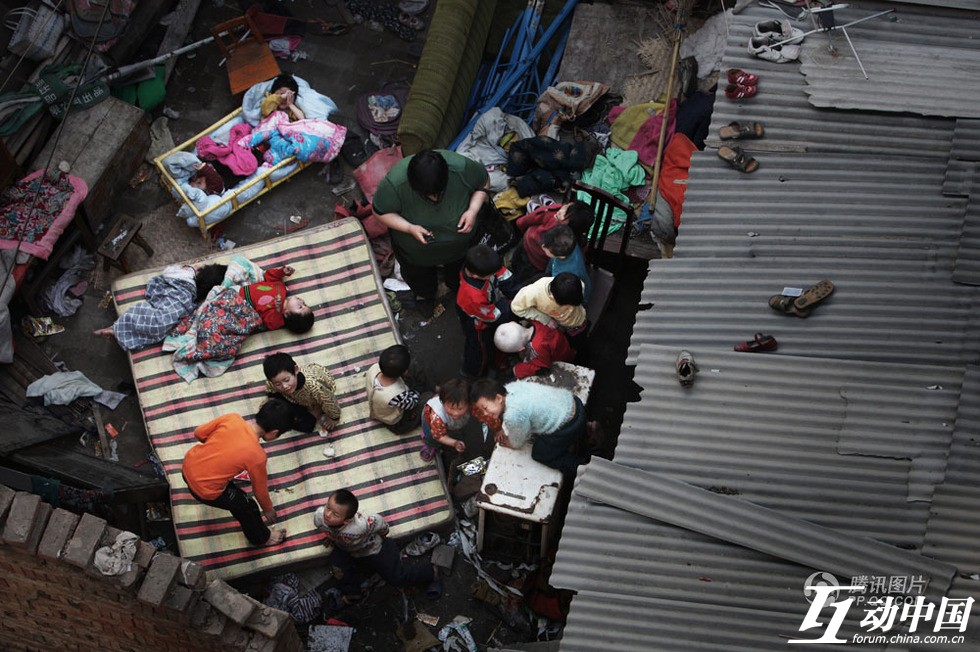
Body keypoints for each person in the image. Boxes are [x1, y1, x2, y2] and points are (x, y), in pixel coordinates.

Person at [372, 149, 491, 306]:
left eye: (438, 193)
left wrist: (473, 210)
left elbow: (483, 182)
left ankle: (454, 287)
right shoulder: (396, 183)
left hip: (459, 249)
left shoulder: (460, 167)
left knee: (458, 278)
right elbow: (379, 211)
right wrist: (409, 228)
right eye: (426, 194)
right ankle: (426, 296)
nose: (433, 199)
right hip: (417, 255)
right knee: (421, 283)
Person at [181, 398, 293, 546]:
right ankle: (261, 538)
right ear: (274, 433)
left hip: (187, 466)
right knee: (248, 506)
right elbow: (259, 490)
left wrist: (217, 447)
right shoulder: (257, 456)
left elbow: (199, 433)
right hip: (204, 490)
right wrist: (268, 509)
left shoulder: (232, 418)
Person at [313, 488, 440, 604]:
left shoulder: (360, 526)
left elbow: (378, 521)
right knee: (338, 567)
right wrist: (331, 538)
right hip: (347, 549)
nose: (327, 515)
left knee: (396, 578)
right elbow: (328, 528)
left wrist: (384, 534)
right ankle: (353, 593)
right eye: (328, 507)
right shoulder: (319, 517)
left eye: (335, 514)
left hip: (374, 549)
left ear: (347, 520)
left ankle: (430, 571)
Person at [93, 263, 227, 350]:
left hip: (171, 301)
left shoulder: (186, 274)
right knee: (157, 322)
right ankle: (115, 329)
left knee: (155, 319)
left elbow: (168, 272)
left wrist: (191, 269)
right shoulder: (189, 285)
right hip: (171, 304)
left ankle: (116, 329)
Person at [470, 378, 586, 477]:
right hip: (572, 403)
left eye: (485, 408)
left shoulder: (513, 414)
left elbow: (519, 439)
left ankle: (581, 467)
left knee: (540, 454)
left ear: (499, 398)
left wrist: (512, 443)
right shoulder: (512, 387)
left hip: (568, 425)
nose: (485, 414)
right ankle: (587, 431)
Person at [456, 244, 521, 378]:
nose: (494, 275)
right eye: (490, 275)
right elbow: (492, 315)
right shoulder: (472, 296)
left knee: (493, 339)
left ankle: (497, 360)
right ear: (474, 275)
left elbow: (504, 277)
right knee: (479, 349)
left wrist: (520, 296)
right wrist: (513, 306)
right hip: (477, 322)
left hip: (490, 305)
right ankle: (473, 374)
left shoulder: (486, 265)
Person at [512, 200, 594, 281]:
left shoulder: (551, 213)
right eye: (566, 207)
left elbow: (525, 221)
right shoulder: (575, 241)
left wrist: (521, 228)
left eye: (565, 215)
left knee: (520, 271)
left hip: (533, 255)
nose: (561, 211)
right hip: (536, 259)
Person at [263, 352, 341, 435]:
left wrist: (334, 418)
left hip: (314, 394)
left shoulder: (315, 387)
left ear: (296, 370)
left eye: (286, 380)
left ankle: (317, 410)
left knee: (306, 425)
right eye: (278, 384)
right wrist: (272, 398)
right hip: (294, 397)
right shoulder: (274, 382)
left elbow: (329, 400)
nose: (285, 386)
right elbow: (270, 386)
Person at [366, 344, 423, 435]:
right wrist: (417, 391)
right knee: (426, 398)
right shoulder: (397, 395)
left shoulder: (374, 369)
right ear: (404, 372)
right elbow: (412, 403)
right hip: (395, 422)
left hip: (381, 408)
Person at [241, 264, 314, 333]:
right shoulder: (282, 289)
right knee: (242, 263)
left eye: (300, 307)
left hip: (240, 302)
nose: (301, 301)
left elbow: (271, 324)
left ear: (287, 314)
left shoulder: (278, 319)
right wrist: (282, 272)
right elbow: (268, 275)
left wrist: (278, 310)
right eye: (305, 304)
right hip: (243, 286)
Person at [493, 320, 574, 380]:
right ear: (513, 322)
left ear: (521, 349)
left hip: (563, 357)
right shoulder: (536, 320)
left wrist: (518, 369)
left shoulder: (537, 348)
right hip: (563, 341)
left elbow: (543, 369)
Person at [510, 272, 586, 332]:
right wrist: (546, 319)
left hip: (577, 318)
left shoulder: (577, 286)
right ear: (552, 297)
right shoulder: (533, 293)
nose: (570, 308)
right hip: (558, 323)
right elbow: (516, 307)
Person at [419, 378, 471, 462]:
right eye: (451, 408)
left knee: (442, 429)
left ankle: (436, 431)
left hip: (442, 423)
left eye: (460, 409)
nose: (456, 413)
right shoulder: (437, 417)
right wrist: (454, 443)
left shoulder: (471, 405)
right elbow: (440, 436)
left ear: (468, 403)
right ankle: (430, 445)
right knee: (432, 436)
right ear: (443, 403)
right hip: (429, 419)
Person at [541, 225, 591, 304]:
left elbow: (565, 296)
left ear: (560, 255)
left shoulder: (567, 274)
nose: (543, 246)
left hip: (572, 297)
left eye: (546, 248)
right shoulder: (568, 246)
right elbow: (551, 263)